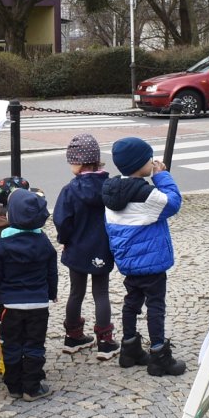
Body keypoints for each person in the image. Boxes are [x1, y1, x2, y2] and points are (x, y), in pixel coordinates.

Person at [101, 136, 186, 377]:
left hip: (128, 262)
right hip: (151, 264)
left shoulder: (111, 191)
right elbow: (173, 203)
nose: (152, 162)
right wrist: (162, 176)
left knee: (131, 302)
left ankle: (129, 349)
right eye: (149, 159)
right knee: (155, 305)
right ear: (140, 165)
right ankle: (159, 356)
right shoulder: (145, 193)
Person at [0, 189, 57, 401]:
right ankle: (32, 387)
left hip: (11, 306)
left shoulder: (2, 244)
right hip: (38, 306)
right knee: (34, 345)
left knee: (11, 344)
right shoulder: (44, 242)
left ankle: (14, 385)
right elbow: (51, 272)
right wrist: (52, 292)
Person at [53, 134, 119, 360]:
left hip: (76, 248)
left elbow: (62, 220)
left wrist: (64, 240)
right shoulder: (108, 187)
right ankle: (105, 342)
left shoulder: (70, 190)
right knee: (101, 293)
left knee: (76, 292)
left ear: (79, 163)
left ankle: (73, 336)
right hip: (101, 248)